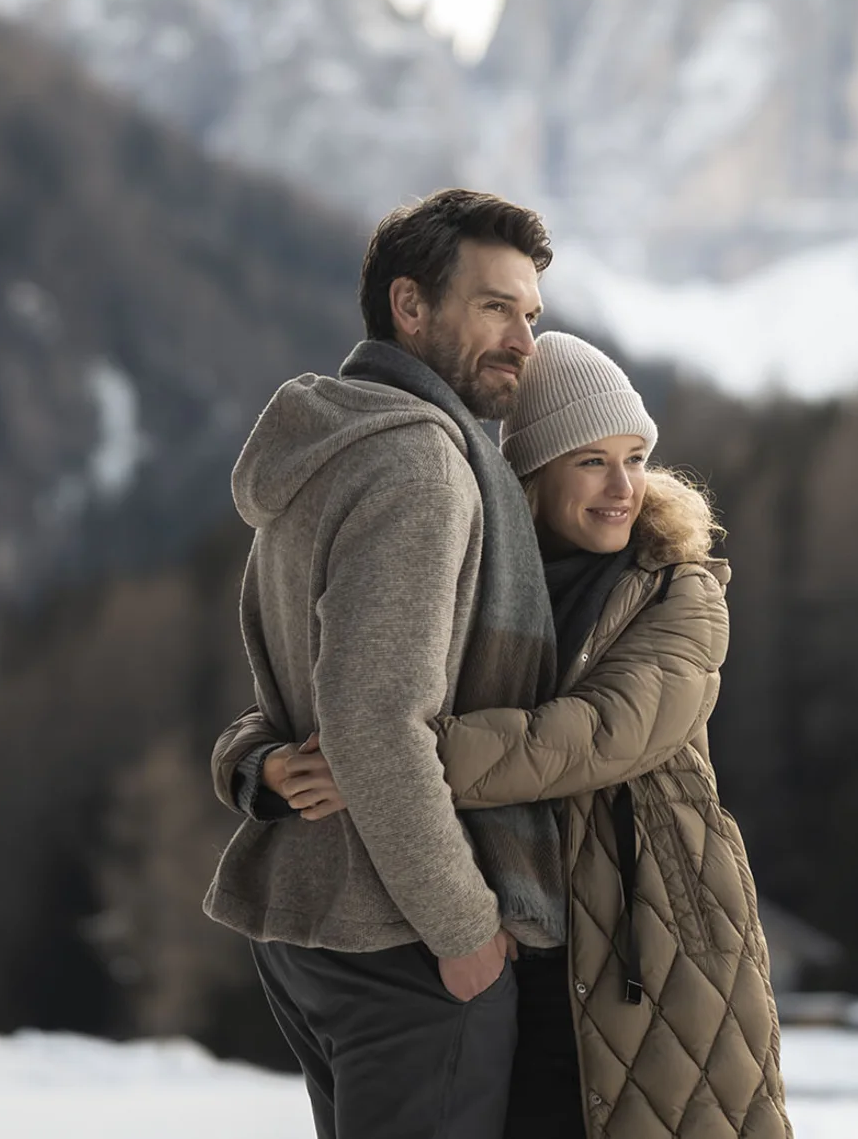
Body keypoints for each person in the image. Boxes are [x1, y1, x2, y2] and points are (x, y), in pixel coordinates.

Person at [219, 333, 792, 1139]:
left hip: (649, 944)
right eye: (592, 461)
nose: (623, 487)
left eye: (635, 457)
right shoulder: (481, 578)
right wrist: (262, 762)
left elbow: (593, 735)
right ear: (534, 473)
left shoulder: (679, 590)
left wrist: (392, 758)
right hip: (518, 940)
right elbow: (345, 694)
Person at [203, 188, 568, 1139]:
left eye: (530, 316)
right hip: (403, 930)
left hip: (315, 927)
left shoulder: (326, 449)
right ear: (411, 307)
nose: (524, 343)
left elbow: (292, 695)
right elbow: (372, 720)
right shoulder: (419, 465)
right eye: (495, 307)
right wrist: (464, 929)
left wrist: (259, 768)